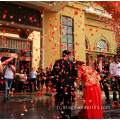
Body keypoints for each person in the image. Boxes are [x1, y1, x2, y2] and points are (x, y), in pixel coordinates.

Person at [53, 50, 77, 119]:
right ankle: (68, 115)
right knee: (67, 101)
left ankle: (63, 114)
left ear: (62, 54)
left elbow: (54, 74)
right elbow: (75, 75)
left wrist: (55, 85)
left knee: (58, 100)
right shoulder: (72, 63)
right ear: (69, 55)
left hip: (60, 84)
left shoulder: (58, 62)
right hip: (69, 85)